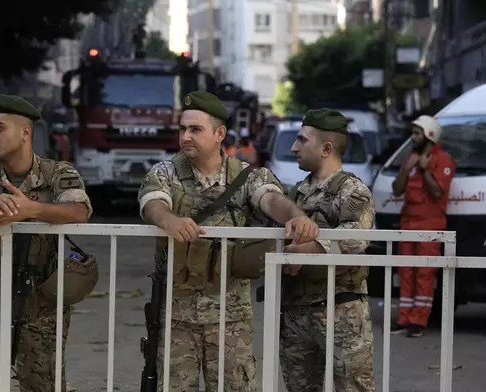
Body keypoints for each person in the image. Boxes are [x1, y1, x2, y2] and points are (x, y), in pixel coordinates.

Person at [138, 90, 319, 392]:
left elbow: (271, 199)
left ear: (219, 133)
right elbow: (152, 202)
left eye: (195, 129)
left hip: (230, 319)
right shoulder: (165, 172)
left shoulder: (247, 176)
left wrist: (295, 216)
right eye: (182, 129)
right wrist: (169, 219)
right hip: (175, 317)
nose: (185, 137)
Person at [0, 94, 97, 392]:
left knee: (40, 384)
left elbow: (79, 210)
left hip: (41, 302)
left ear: (25, 132)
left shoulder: (57, 173)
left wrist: (33, 210)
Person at [282, 108, 376, 392]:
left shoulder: (352, 191)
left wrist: (305, 250)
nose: (293, 147)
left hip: (341, 311)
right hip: (297, 312)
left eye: (302, 140)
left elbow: (356, 237)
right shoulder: (296, 193)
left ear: (326, 148)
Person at [391, 115, 455, 337]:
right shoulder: (410, 157)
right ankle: (404, 319)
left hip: (431, 224)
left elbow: (438, 193)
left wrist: (425, 171)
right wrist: (405, 170)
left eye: (417, 133)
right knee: (406, 271)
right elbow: (397, 190)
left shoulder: (443, 160)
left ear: (429, 135)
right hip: (408, 222)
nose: (412, 137)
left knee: (425, 272)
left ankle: (418, 322)